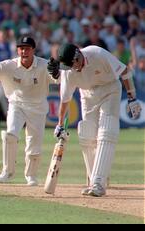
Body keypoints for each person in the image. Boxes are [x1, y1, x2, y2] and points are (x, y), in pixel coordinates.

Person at [47, 43, 142, 197]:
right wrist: (59, 125)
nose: (72, 68)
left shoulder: (97, 54)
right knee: (87, 134)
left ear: (78, 56)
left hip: (110, 89)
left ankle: (98, 182)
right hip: (87, 95)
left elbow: (125, 71)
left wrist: (132, 98)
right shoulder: (68, 72)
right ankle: (94, 179)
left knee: (106, 133)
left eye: (73, 64)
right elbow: (65, 100)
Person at [0, 36, 57, 186]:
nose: (24, 51)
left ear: (33, 50)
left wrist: (56, 72)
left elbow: (59, 79)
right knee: (10, 134)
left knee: (34, 144)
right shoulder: (9, 66)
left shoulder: (44, 65)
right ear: (17, 50)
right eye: (21, 48)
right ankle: (7, 171)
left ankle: (31, 175)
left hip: (38, 108)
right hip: (16, 105)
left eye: (27, 48)